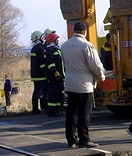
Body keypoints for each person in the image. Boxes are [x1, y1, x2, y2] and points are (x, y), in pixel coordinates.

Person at [61, 21, 105, 149]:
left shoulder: (65, 45)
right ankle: (84, 139)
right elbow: (95, 65)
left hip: (70, 83)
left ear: (74, 31)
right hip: (84, 84)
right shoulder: (87, 46)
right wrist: (101, 75)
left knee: (71, 113)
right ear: (85, 32)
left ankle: (71, 140)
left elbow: (64, 62)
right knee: (85, 113)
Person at [45, 32, 65, 117]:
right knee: (53, 94)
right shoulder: (50, 50)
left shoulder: (56, 49)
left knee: (58, 93)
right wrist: (55, 72)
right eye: (57, 39)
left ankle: (57, 110)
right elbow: (50, 63)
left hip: (59, 77)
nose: (58, 41)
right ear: (52, 40)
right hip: (54, 77)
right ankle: (52, 111)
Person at [30, 30, 47, 115]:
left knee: (36, 92)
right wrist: (46, 72)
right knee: (42, 92)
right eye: (41, 36)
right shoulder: (40, 47)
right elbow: (42, 62)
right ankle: (42, 108)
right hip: (41, 75)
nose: (43, 38)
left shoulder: (34, 48)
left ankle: (35, 108)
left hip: (35, 75)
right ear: (38, 37)